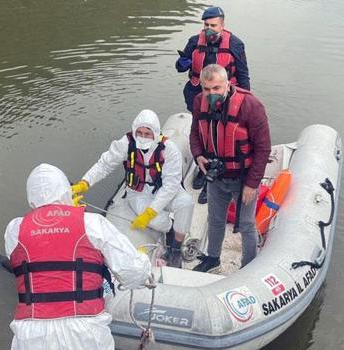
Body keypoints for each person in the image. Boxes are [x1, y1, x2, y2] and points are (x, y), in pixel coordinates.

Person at [4, 163, 151, 350]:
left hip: (31, 335)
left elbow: (30, 260)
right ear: (66, 190)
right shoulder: (92, 223)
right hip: (85, 332)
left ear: (30, 196)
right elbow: (133, 274)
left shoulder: (14, 230)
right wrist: (142, 259)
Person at [72, 110, 194, 268]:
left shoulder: (169, 150)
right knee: (155, 221)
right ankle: (170, 228)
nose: (143, 137)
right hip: (138, 193)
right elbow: (105, 164)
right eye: (140, 132)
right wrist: (85, 182)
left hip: (164, 189)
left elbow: (171, 185)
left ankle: (176, 248)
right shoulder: (126, 144)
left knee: (186, 203)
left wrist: (152, 209)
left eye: (147, 133)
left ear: (155, 133)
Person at [189, 64, 271, 272]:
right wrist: (198, 155)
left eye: (216, 88)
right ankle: (213, 258)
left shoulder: (250, 106)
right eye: (206, 89)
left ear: (227, 84)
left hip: (243, 177)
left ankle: (249, 265)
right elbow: (195, 134)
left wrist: (252, 184)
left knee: (246, 224)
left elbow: (263, 148)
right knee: (215, 219)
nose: (211, 94)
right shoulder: (199, 102)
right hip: (215, 176)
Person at [175, 6, 251, 204]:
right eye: (206, 25)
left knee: (220, 133)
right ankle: (203, 169)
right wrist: (182, 62)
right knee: (202, 131)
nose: (209, 29)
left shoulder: (235, 44)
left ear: (222, 25)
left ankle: (216, 175)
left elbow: (243, 75)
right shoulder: (194, 41)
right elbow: (180, 66)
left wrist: (246, 100)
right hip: (198, 94)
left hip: (223, 97)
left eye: (213, 25)